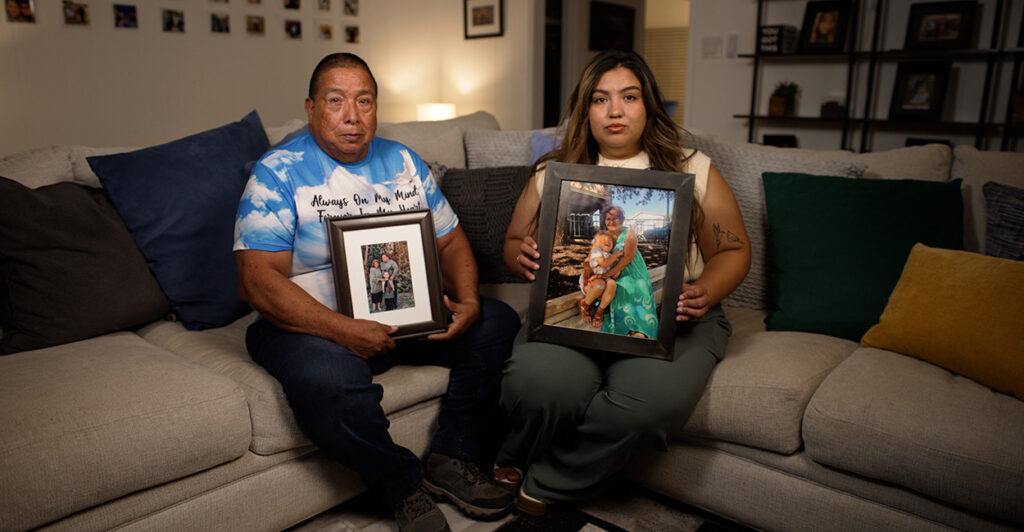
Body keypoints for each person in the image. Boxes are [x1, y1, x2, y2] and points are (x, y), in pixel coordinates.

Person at [233, 52, 518, 532]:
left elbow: (449, 240)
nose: (352, 115)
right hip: (309, 328)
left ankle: (453, 457)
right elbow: (256, 279)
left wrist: (467, 300)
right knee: (328, 382)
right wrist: (345, 331)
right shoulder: (277, 171)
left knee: (498, 324)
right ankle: (402, 486)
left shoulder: (403, 159)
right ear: (311, 107)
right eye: (337, 100)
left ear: (376, 107)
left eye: (364, 100)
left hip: (403, 313)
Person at [497, 49, 751, 514]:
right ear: (585, 110)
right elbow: (515, 240)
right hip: (572, 319)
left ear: (648, 104)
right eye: (600, 99)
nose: (615, 111)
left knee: (649, 403)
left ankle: (551, 478)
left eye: (628, 97)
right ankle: (522, 449)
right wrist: (523, 256)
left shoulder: (693, 166)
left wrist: (705, 293)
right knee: (539, 383)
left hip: (675, 316)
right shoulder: (551, 174)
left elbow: (733, 250)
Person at [592, 205, 658, 338]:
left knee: (637, 287)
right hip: (613, 271)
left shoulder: (629, 233)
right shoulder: (604, 236)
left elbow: (627, 258)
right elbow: (594, 253)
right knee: (618, 289)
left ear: (621, 219)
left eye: (615, 218)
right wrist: (592, 270)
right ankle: (623, 328)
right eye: (608, 219)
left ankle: (640, 329)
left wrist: (606, 274)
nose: (611, 221)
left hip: (633, 269)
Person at [577, 230, 622, 328]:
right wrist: (615, 256)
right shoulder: (596, 251)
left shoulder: (611, 256)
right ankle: (585, 305)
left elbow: (615, 275)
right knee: (600, 283)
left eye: (610, 239)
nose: (607, 241)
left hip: (604, 284)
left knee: (612, 283)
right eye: (603, 239)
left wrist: (618, 263)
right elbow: (604, 263)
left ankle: (599, 311)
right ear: (597, 243)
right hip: (591, 284)